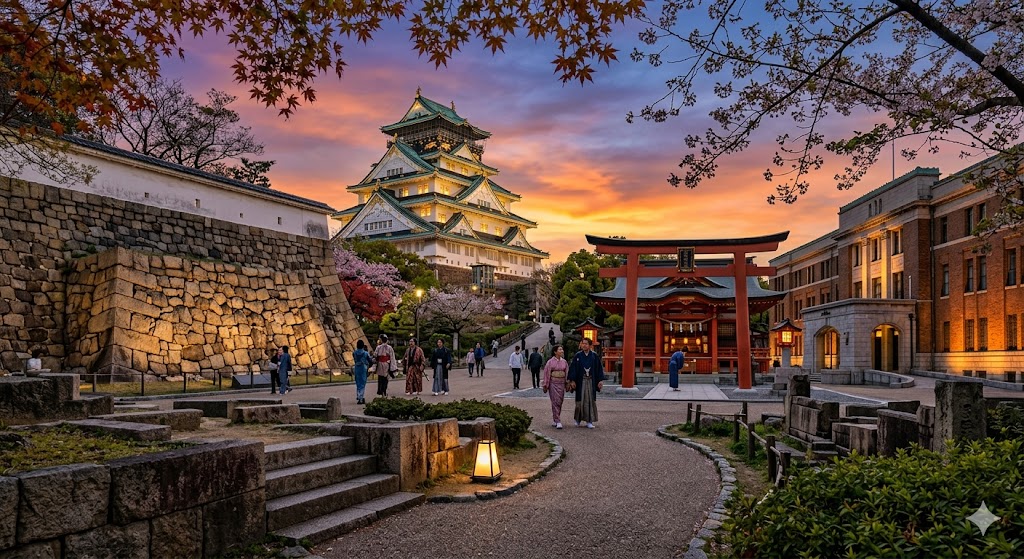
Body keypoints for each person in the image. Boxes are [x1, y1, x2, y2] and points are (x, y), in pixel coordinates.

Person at [567, 337, 604, 428]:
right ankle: (577, 419)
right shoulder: (578, 356)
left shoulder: (594, 356)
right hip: (581, 381)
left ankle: (589, 420)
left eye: (586, 343)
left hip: (591, 380)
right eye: (582, 343)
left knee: (590, 401)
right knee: (579, 401)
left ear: (590, 346)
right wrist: (572, 380)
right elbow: (573, 368)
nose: (584, 345)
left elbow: (599, 369)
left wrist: (600, 380)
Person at [542, 345, 569, 429]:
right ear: (555, 352)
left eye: (562, 349)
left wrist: (567, 383)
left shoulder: (564, 362)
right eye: (560, 349)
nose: (562, 351)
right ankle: (558, 420)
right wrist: (546, 384)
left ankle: (555, 418)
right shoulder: (550, 362)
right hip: (553, 383)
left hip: (561, 383)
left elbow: (567, 373)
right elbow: (547, 373)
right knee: (555, 401)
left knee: (560, 401)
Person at [374, 334, 397, 398]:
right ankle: (384, 390)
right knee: (385, 378)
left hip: (380, 364)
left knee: (380, 378)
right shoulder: (390, 347)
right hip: (387, 364)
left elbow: (375, 355)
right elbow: (392, 357)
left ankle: (381, 391)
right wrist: (393, 366)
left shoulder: (378, 347)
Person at [352, 340, 371, 404]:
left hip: (357, 367)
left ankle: (359, 395)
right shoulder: (365, 353)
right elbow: (370, 360)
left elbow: (354, 359)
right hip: (363, 368)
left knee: (358, 383)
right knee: (362, 383)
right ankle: (360, 398)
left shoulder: (354, 353)